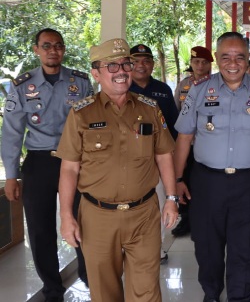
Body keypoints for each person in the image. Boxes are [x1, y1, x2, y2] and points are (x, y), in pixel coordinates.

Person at [57, 38, 179, 302]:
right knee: (104, 292)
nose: (121, 71)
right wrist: (66, 216)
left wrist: (171, 199)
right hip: (97, 217)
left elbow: (164, 155)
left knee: (147, 291)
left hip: (144, 214)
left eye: (125, 64)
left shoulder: (150, 109)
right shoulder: (81, 114)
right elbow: (69, 169)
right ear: (96, 73)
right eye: (111, 66)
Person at [173, 31, 250, 302]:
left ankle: (241, 296)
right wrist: (176, 179)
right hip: (207, 182)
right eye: (226, 57)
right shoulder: (199, 90)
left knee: (245, 246)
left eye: (240, 57)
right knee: (207, 246)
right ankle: (211, 294)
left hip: (249, 182)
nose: (233, 63)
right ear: (217, 58)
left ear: (248, 60)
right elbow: (184, 138)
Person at [1, 28, 92, 302]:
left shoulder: (81, 83)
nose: (53, 50)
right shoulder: (21, 86)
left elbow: (92, 126)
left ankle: (91, 278)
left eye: (58, 45)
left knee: (84, 223)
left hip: (75, 161)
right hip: (39, 162)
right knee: (40, 230)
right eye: (47, 45)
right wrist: (11, 176)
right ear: (36, 50)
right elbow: (12, 133)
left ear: (63, 50)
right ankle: (53, 289)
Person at [129, 43, 180, 263]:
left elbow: (173, 125)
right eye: (136, 61)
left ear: (152, 64)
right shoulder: (121, 87)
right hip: (128, 159)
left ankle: (157, 248)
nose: (141, 66)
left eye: (146, 61)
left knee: (159, 203)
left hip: (157, 157)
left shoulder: (163, 89)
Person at [172, 45, 213, 237]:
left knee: (205, 183)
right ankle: (186, 219)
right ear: (191, 63)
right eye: (196, 61)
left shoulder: (216, 85)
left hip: (207, 145)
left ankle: (205, 220)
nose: (200, 65)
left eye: (204, 62)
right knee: (185, 181)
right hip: (186, 146)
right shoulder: (184, 85)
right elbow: (175, 113)